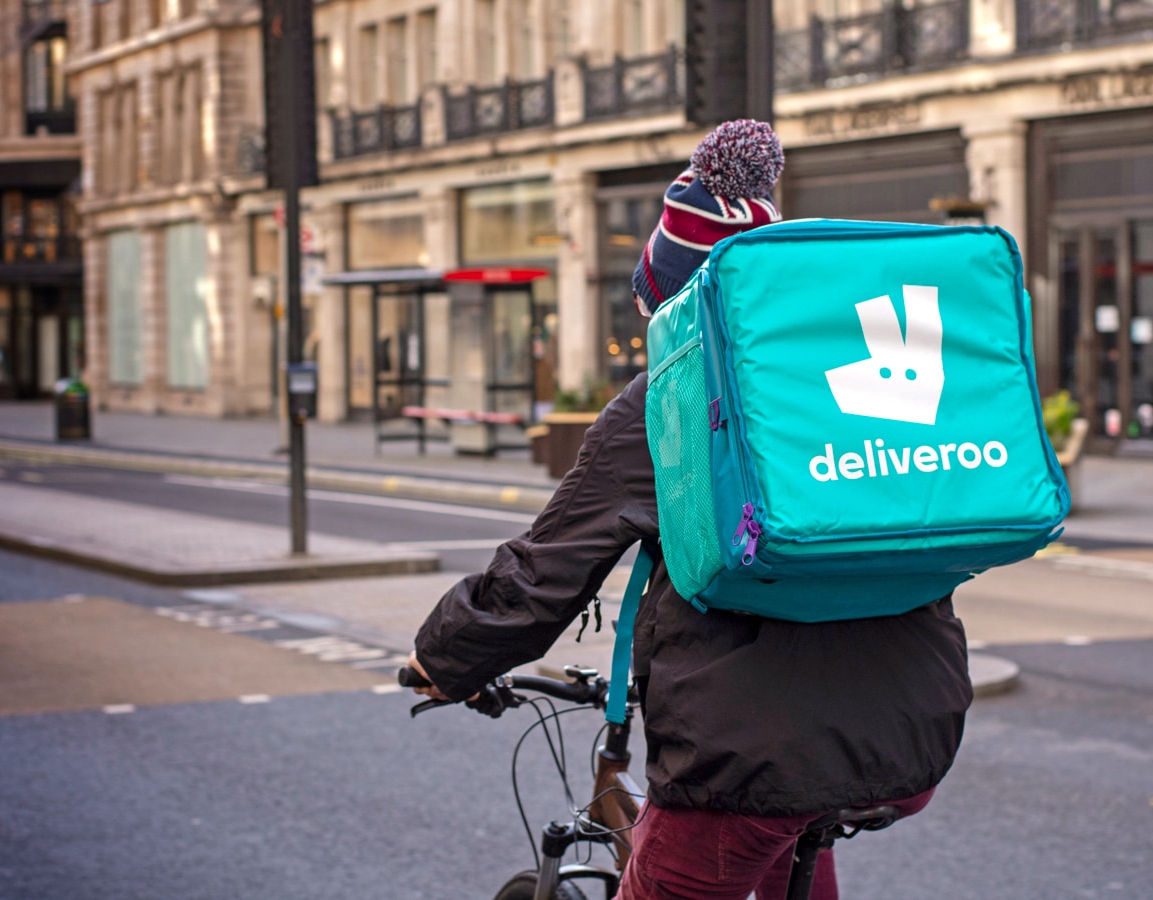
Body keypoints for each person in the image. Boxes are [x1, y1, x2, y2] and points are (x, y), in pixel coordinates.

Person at [406, 119, 973, 900]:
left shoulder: (669, 400)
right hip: (914, 720)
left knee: (747, 819)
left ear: (674, 303)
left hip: (754, 748)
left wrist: (444, 658)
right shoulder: (844, 381)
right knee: (788, 827)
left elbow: (549, 568)